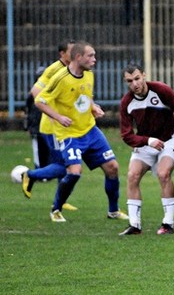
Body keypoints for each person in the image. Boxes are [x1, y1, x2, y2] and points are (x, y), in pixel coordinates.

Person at [34, 41, 127, 223]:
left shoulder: (89, 75)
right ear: (78, 57)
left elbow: (85, 96)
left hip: (90, 130)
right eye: (90, 56)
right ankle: (56, 209)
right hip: (69, 134)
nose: (94, 59)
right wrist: (58, 117)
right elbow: (40, 100)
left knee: (113, 168)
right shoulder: (60, 78)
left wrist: (93, 107)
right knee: (75, 172)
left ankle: (113, 210)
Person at [118, 64, 174, 235]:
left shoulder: (161, 90)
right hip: (146, 143)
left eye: (137, 78)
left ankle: (168, 224)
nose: (135, 84)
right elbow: (126, 135)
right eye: (130, 81)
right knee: (132, 175)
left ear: (144, 75)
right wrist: (147, 140)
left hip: (170, 140)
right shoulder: (126, 103)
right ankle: (135, 225)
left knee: (163, 173)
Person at [18, 40, 79, 211]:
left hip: (66, 124)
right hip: (52, 126)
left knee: (68, 163)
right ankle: (31, 175)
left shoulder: (73, 69)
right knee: (65, 166)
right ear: (62, 54)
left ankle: (61, 200)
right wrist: (53, 113)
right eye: (72, 51)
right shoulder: (53, 70)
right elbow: (36, 92)